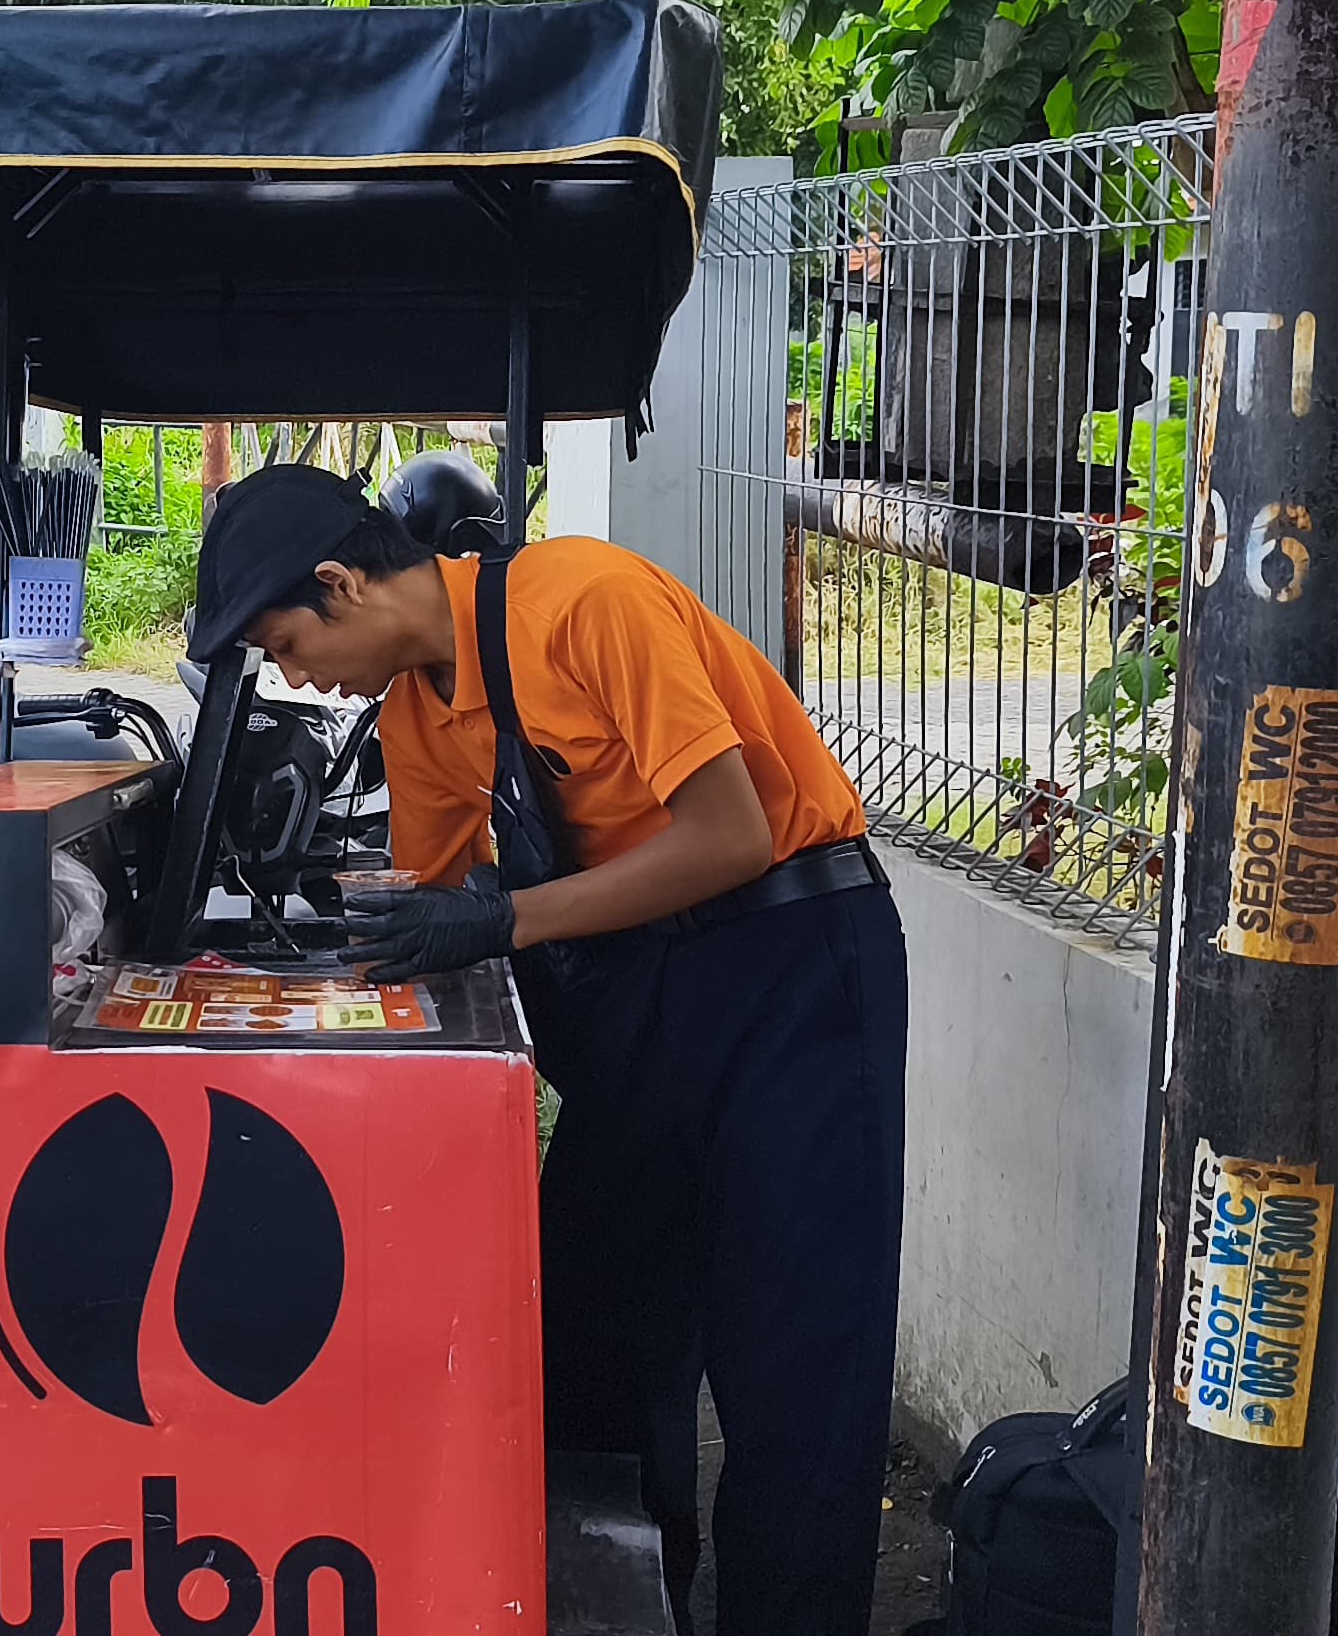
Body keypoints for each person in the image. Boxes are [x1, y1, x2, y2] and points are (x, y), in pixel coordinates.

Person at [187, 464, 906, 1636]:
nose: (290, 676)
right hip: (644, 988)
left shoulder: (584, 601)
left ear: (340, 584)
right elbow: (428, 917)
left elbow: (731, 834)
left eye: (283, 644)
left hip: (793, 961)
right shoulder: (420, 713)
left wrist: (506, 917)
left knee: (795, 1358)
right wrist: (288, 1023)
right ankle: (634, 1605)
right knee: (594, 1335)